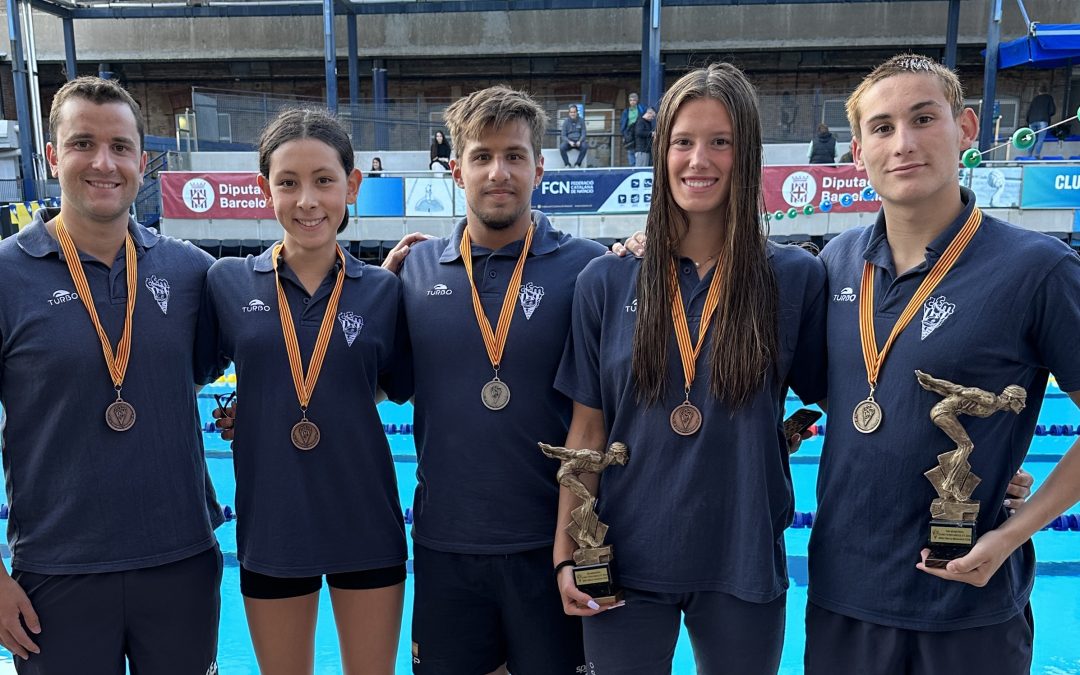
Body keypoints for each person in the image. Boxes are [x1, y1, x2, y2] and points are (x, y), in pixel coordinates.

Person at [806, 53, 1080, 675]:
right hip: (844, 597)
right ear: (857, 152)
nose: (903, 143)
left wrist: (1013, 532)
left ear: (965, 128)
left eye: (923, 118)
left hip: (969, 604)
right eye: (881, 128)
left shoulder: (1037, 269)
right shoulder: (834, 264)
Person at [553, 62, 827, 674]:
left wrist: (989, 459)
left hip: (742, 554)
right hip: (620, 555)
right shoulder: (606, 279)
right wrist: (566, 552)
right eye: (682, 142)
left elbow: (859, 394)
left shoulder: (793, 278)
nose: (698, 160)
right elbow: (588, 433)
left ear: (747, 152)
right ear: (661, 152)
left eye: (719, 141)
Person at [0, 76, 223, 673]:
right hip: (56, 570)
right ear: (52, 157)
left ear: (143, 163)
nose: (104, 163)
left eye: (120, 146)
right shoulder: (5, 276)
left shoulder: (192, 273)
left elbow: (283, 326)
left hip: (180, 560)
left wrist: (392, 278)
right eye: (82, 144)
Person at [381, 85, 607, 675]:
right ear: (457, 170)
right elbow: (378, 384)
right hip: (446, 546)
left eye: (514, 155)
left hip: (549, 545)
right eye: (482, 156)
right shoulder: (414, 270)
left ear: (539, 166)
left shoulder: (588, 268)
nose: (498, 172)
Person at [204, 108, 407, 675]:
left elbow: (394, 387)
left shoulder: (386, 291)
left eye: (324, 179)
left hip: (366, 520)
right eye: (288, 182)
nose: (308, 200)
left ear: (352, 184)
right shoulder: (226, 282)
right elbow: (183, 370)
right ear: (263, 189)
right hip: (273, 525)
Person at [1026, 84, 1056, 159]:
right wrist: (1047, 115)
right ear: (1046, 91)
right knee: (1040, 139)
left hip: (1032, 121)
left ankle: (1028, 156)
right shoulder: (1049, 98)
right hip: (1043, 120)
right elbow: (1052, 110)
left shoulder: (1035, 99)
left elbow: (1029, 111)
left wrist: (1028, 121)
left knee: (1032, 139)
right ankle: (1036, 155)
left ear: (1039, 91)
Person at [620, 92, 646, 165]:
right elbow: (623, 123)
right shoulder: (626, 111)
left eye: (634, 100)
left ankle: (638, 165)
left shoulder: (641, 109)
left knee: (639, 150)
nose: (632, 102)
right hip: (629, 132)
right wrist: (624, 135)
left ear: (637, 100)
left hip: (638, 130)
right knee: (630, 150)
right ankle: (632, 166)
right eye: (631, 100)